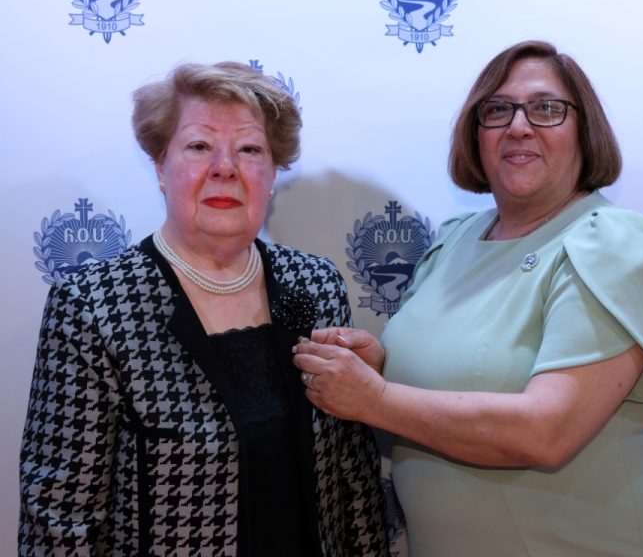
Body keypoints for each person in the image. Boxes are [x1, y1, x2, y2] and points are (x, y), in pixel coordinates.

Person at [293, 40, 643, 557]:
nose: (519, 126)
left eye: (546, 108)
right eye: (498, 110)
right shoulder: (455, 239)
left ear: (584, 130)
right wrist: (382, 368)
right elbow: (461, 376)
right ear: (476, 134)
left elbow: (547, 432)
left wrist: (375, 399)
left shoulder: (613, 243)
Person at [19, 61, 388, 556]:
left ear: (272, 174)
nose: (225, 167)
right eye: (198, 146)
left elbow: (354, 477)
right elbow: (60, 516)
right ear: (161, 168)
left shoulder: (316, 284)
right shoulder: (93, 306)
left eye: (249, 149)